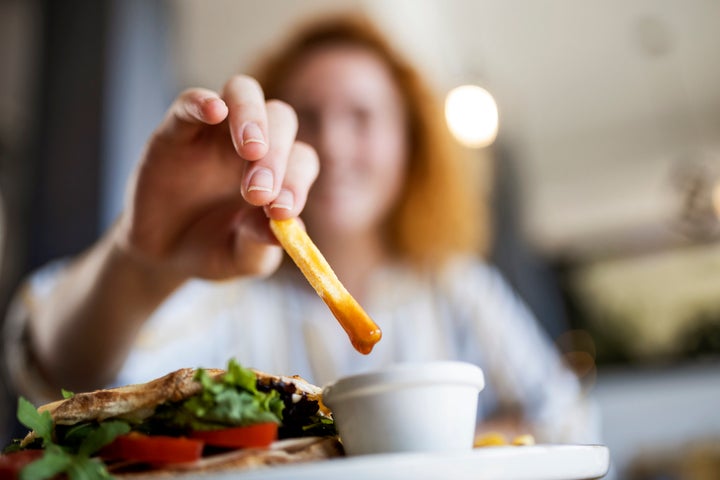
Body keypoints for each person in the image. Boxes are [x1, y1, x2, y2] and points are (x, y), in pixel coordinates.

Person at [3, 14, 597, 443]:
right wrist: (141, 260)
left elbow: (568, 422)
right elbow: (61, 379)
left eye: (362, 117)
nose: (334, 144)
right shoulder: (226, 292)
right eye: (308, 116)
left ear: (411, 149)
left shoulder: (456, 289)